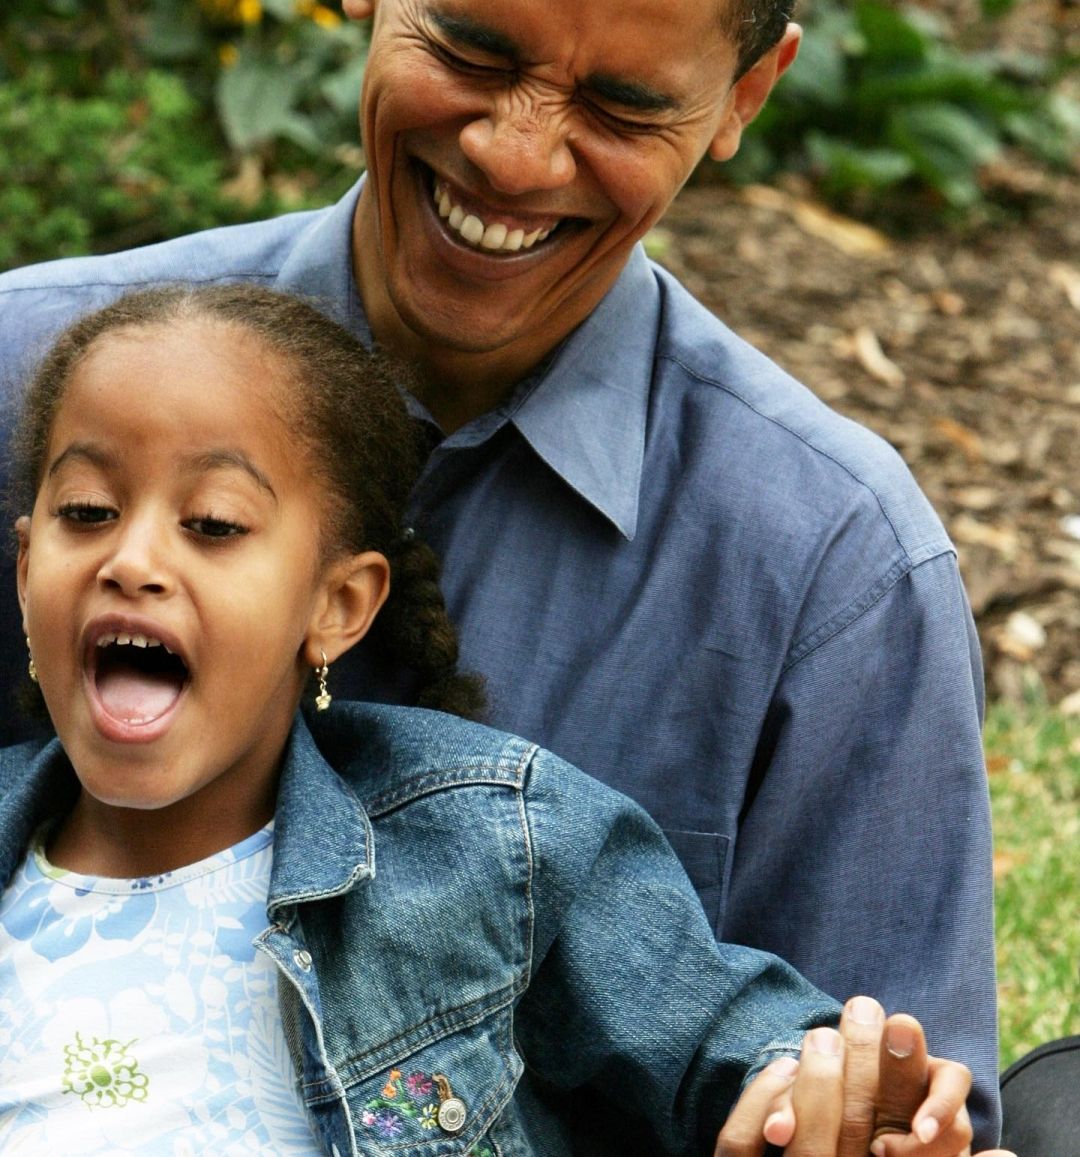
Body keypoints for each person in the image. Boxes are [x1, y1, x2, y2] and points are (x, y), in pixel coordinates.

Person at [0, 0, 1003, 1148]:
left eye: (624, 105)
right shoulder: (30, 382)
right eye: (471, 53)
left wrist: (840, 1109)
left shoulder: (831, 569)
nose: (517, 157)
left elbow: (874, 1088)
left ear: (745, 98)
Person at [0, 283, 981, 1156]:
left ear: (336, 606)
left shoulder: (488, 841)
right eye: (86, 510)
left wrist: (828, 1093)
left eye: (212, 523)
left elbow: (718, 1034)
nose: (130, 558)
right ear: (24, 563)